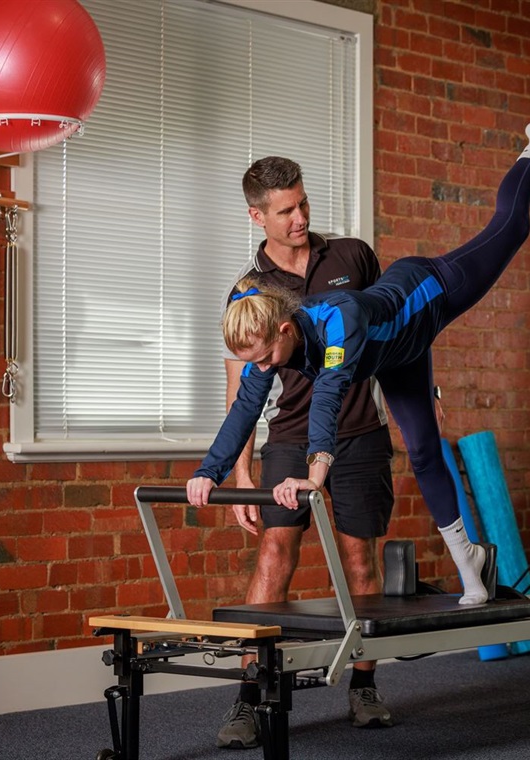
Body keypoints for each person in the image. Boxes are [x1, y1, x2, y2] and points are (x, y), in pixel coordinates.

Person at [189, 94, 530, 610]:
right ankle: (470, 563)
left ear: (285, 328)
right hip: (394, 357)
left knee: (512, 228)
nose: (261, 367)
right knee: (424, 451)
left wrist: (312, 476)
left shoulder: (338, 323)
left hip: (426, 295)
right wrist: (209, 470)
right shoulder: (268, 330)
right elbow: (246, 401)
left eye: (302, 204)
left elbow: (329, 396)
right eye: (285, 209)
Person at [214, 156, 397, 749]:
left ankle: (364, 684)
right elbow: (239, 383)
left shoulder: (352, 256)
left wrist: (425, 397)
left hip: (359, 431)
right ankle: (248, 695)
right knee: (274, 556)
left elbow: (390, 331)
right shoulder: (248, 289)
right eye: (285, 210)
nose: (300, 217)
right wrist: (240, 469)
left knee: (359, 561)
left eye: (302, 203)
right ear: (256, 215)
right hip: (291, 438)